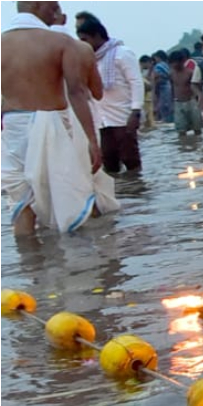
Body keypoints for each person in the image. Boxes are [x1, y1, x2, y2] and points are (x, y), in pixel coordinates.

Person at [2, 1, 118, 235]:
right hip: (53, 124)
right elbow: (78, 92)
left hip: (12, 126)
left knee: (22, 203)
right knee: (71, 193)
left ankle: (32, 266)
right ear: (37, 5)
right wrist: (92, 142)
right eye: (52, 6)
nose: (56, 12)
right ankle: (87, 265)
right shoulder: (62, 43)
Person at [76, 13, 144, 173]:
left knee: (130, 159)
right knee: (109, 161)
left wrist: (135, 111)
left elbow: (136, 82)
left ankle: (137, 191)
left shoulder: (122, 53)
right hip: (102, 119)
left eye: (85, 39)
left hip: (122, 116)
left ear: (97, 36)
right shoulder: (89, 58)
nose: (82, 44)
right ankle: (120, 194)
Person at [170, 49, 201, 137]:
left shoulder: (190, 73)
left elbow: (197, 87)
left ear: (182, 61)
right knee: (181, 130)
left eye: (176, 62)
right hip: (178, 103)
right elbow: (172, 88)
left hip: (191, 102)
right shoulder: (171, 74)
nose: (174, 65)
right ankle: (184, 147)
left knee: (197, 129)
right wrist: (171, 103)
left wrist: (200, 100)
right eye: (172, 63)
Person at [152, 50, 173, 123]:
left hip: (163, 86)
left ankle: (165, 119)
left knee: (163, 104)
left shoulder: (159, 65)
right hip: (167, 85)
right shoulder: (166, 65)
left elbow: (156, 76)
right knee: (166, 104)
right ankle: (167, 119)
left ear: (158, 57)